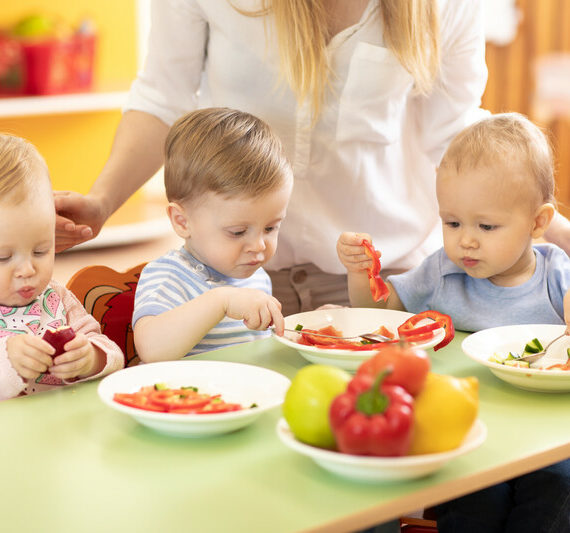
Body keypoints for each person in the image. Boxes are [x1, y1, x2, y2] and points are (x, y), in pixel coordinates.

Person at [53, 0, 518, 319]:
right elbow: (163, 98)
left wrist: (540, 223)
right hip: (233, 278)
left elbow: (455, 132)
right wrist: (101, 202)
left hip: (382, 283)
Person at [337, 112, 570, 533]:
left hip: (547, 444)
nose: (466, 239)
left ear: (538, 222)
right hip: (469, 437)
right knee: (472, 498)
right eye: (452, 222)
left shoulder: (556, 273)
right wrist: (360, 274)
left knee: (557, 490)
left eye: (486, 225)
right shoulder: (443, 270)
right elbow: (382, 310)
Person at [132, 107, 292, 362]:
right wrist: (221, 301)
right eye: (238, 232)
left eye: (270, 228)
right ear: (182, 221)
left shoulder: (256, 278)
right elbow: (152, 351)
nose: (259, 245)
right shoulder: (168, 276)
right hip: (186, 399)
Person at [0, 134, 124, 401]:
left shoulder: (56, 298)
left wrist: (90, 357)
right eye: (2, 258)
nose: (27, 270)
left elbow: (113, 355)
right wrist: (8, 362)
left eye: (40, 250)